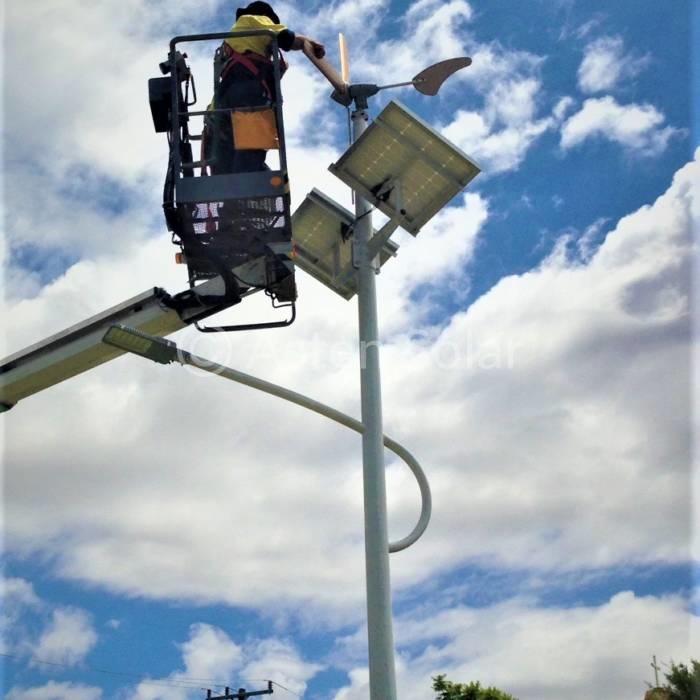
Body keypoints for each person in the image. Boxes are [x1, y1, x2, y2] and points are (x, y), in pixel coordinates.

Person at [207, 1, 325, 174]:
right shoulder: (254, 20)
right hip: (247, 97)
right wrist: (309, 43)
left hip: (221, 111)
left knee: (228, 174)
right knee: (250, 157)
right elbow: (287, 39)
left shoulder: (235, 42)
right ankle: (250, 184)